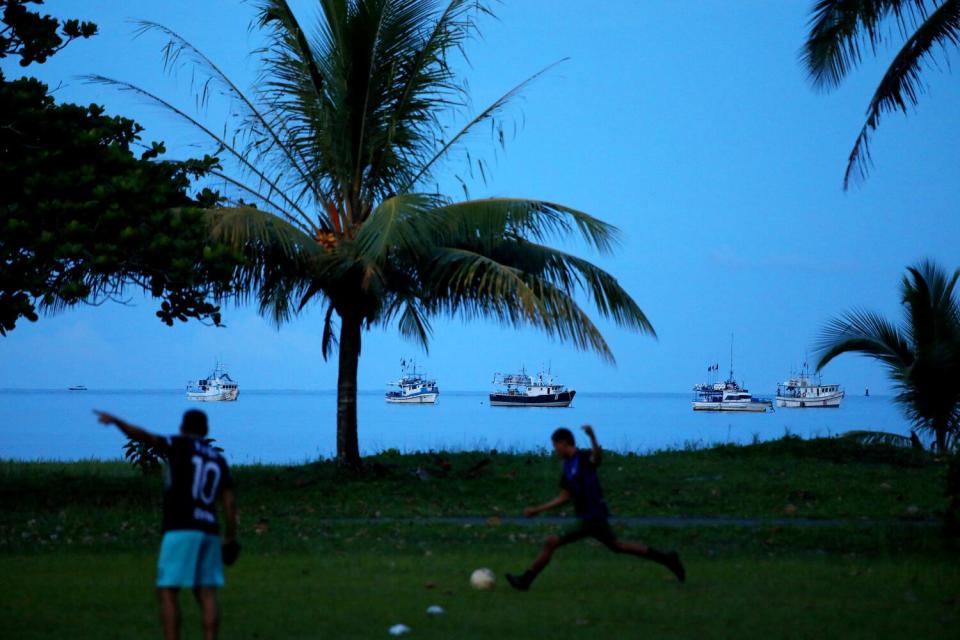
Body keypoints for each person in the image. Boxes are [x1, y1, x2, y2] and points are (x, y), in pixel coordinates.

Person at [95, 409, 239, 640]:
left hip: (181, 526)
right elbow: (229, 503)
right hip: (210, 530)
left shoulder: (178, 444)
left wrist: (117, 421)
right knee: (207, 592)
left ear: (182, 428)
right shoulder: (217, 458)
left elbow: (144, 436)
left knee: (168, 591)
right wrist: (231, 537)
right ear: (206, 430)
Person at [506, 425, 685, 591]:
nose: (555, 450)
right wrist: (538, 509)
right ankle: (667, 559)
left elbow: (597, 458)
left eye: (555, 446)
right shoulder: (567, 466)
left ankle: (525, 581)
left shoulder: (582, 458)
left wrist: (592, 436)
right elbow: (565, 496)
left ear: (563, 443)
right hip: (589, 516)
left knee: (551, 541)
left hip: (591, 517)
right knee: (618, 546)